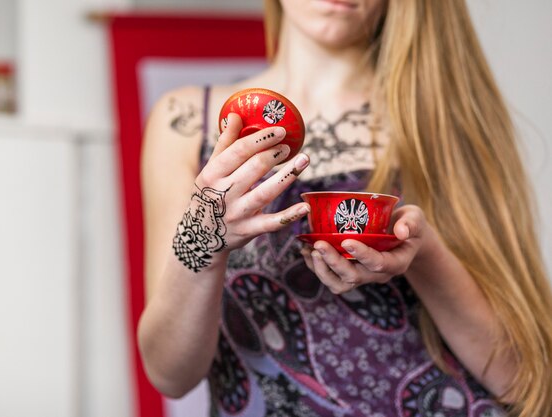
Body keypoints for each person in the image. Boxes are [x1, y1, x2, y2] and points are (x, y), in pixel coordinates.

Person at [137, 0, 552, 415]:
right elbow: (170, 374)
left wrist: (424, 254)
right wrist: (204, 245)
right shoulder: (187, 119)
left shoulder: (443, 118)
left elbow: (525, 383)